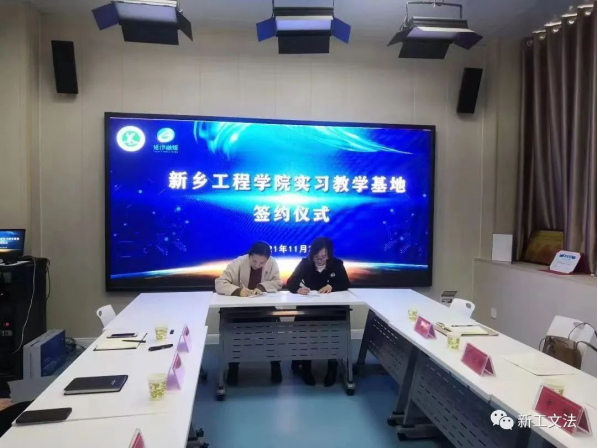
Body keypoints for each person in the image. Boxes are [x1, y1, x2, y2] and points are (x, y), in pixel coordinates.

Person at [215, 241, 283, 385]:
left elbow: (278, 283)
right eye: (254, 261)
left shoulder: (272, 263)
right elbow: (220, 283)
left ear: (267, 260)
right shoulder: (238, 262)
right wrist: (238, 291)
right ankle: (233, 368)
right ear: (249, 255)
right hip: (240, 310)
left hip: (263, 309)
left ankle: (275, 365)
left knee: (273, 332)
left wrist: (262, 287)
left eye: (261, 263)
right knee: (234, 334)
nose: (257, 265)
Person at [287, 237, 350, 387]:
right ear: (312, 254)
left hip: (332, 310)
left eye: (324, 257)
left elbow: (345, 282)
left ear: (329, 255)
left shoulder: (337, 264)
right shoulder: (305, 264)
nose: (320, 260)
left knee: (335, 332)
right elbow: (291, 282)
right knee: (305, 332)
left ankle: (332, 367)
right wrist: (298, 289)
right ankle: (306, 367)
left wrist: (332, 287)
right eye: (317, 257)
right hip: (310, 309)